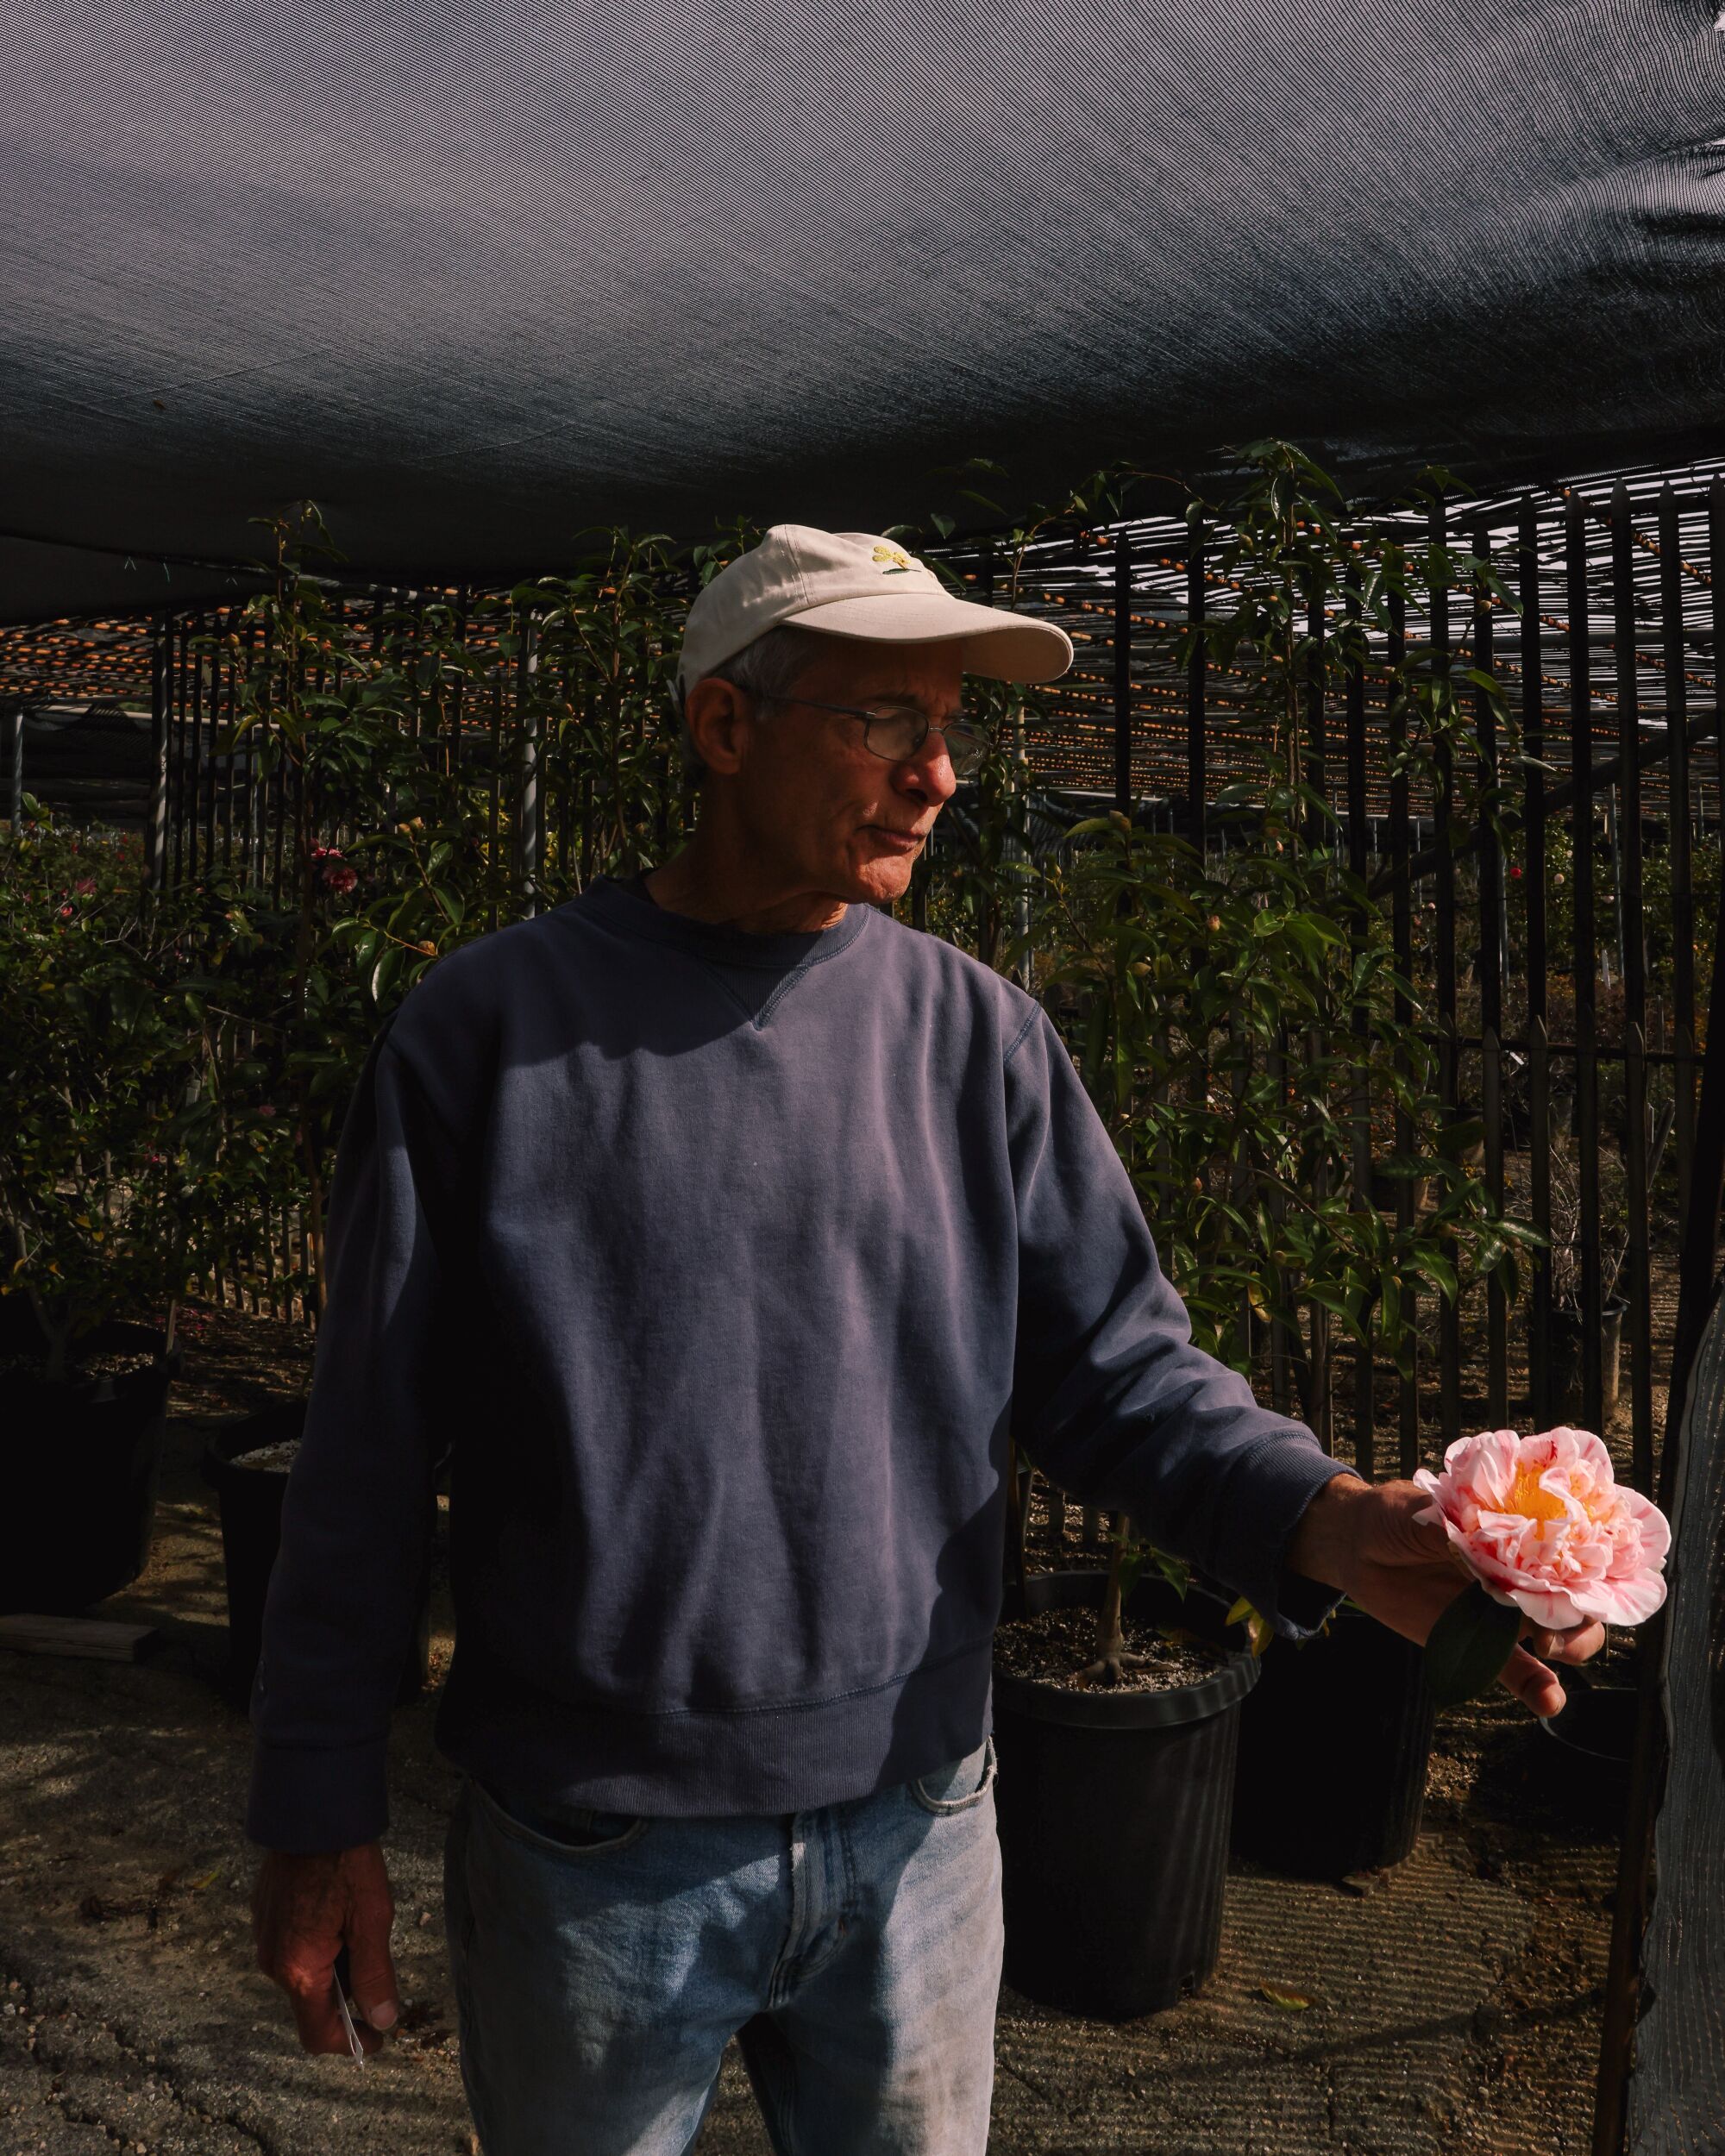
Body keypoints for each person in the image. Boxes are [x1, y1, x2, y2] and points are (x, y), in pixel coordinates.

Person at [248, 524, 1603, 2155]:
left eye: (953, 727)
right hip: (597, 1852)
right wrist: (318, 1804)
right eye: (889, 723)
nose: (940, 775)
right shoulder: (491, 1033)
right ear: (724, 728)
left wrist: (1321, 1521)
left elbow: (1117, 1368)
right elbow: (367, 1453)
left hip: (922, 1824)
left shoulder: (976, 1042)